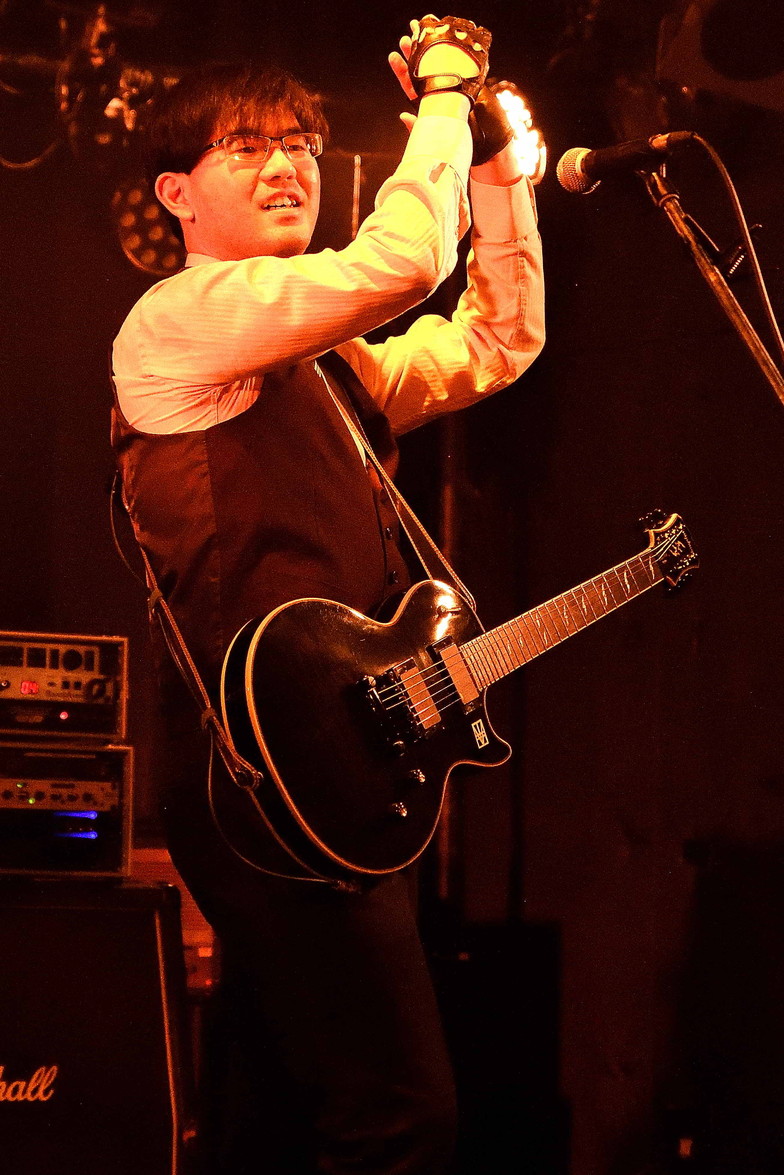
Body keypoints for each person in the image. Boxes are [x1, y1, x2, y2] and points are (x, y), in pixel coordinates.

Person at [111, 14, 544, 1174]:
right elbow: (399, 265)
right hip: (259, 770)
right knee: (401, 1118)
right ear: (176, 195)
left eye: (301, 143)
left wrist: (497, 176)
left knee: (277, 1120)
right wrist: (445, 93)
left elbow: (497, 340)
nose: (289, 164)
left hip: (334, 768)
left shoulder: (329, 370)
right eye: (247, 145)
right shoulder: (177, 320)